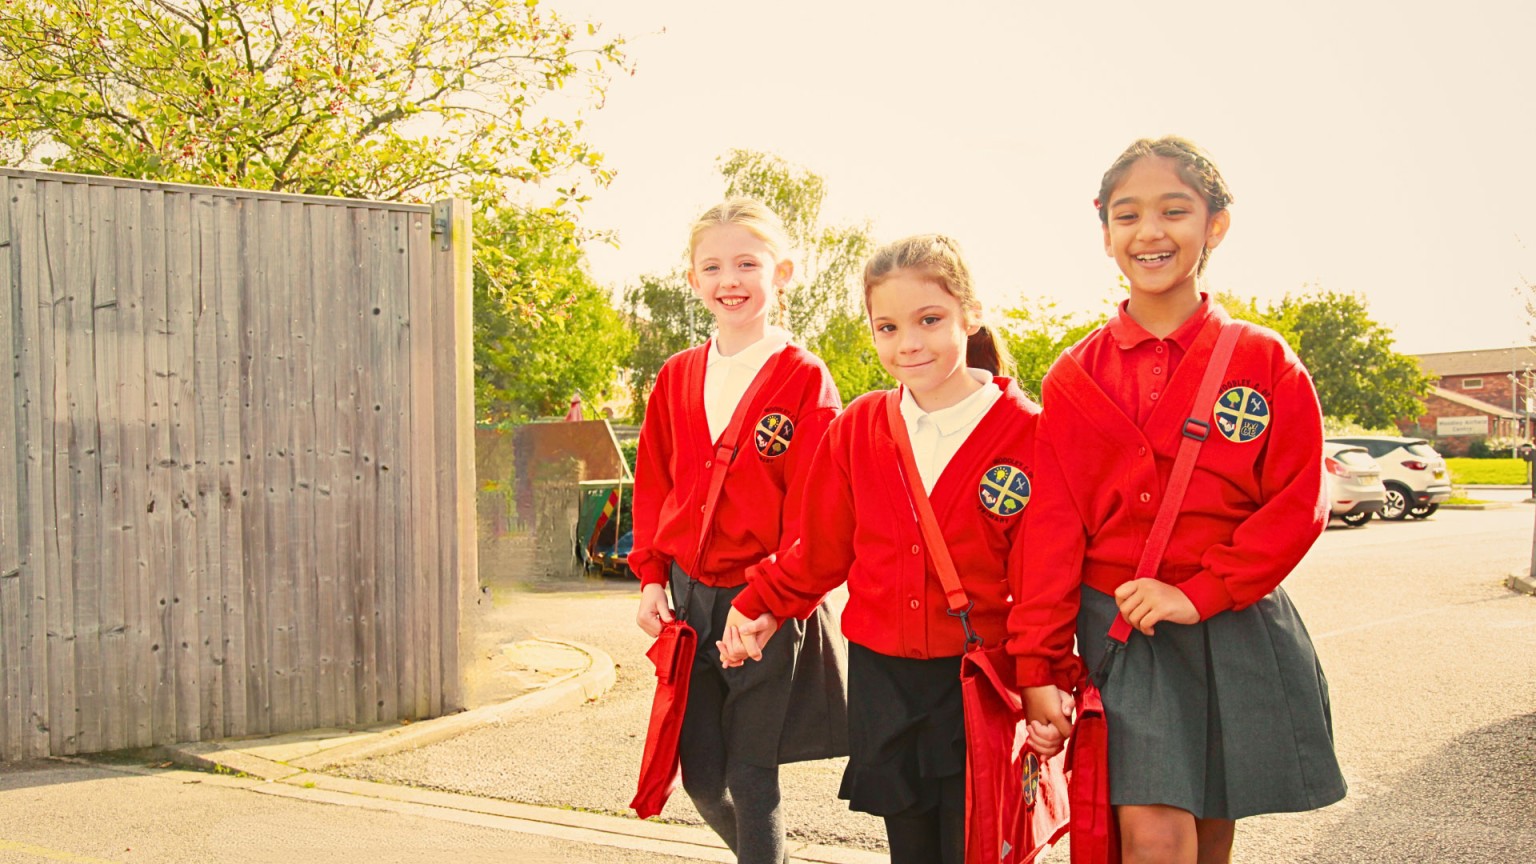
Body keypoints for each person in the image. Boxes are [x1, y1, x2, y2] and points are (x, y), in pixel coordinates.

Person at [1008, 136, 1347, 864]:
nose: (1150, 232)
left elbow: (1298, 501)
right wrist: (1037, 663)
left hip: (1233, 621)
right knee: (1154, 832)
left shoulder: (1264, 360)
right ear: (1105, 233)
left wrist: (1202, 592)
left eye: (1174, 211)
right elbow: (1051, 530)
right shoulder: (1074, 377)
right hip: (1127, 634)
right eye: (1127, 215)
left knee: (1212, 824)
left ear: (1215, 225)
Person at [718, 234, 1065, 864]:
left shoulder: (1031, 432)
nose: (908, 343)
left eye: (930, 320)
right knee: (910, 851)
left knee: (981, 851)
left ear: (972, 313)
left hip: (978, 682)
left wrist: (1042, 679)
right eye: (887, 326)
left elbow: (1043, 581)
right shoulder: (860, 426)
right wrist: (761, 604)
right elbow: (819, 549)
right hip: (883, 678)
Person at [628, 197, 848, 864]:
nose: (731, 279)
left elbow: (817, 510)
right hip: (691, 600)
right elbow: (654, 484)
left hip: (763, 602)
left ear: (782, 273)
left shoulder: (805, 378)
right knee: (699, 778)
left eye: (747, 263)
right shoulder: (677, 375)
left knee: (753, 779)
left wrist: (774, 604)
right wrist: (649, 578)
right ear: (692, 280)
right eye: (713, 266)